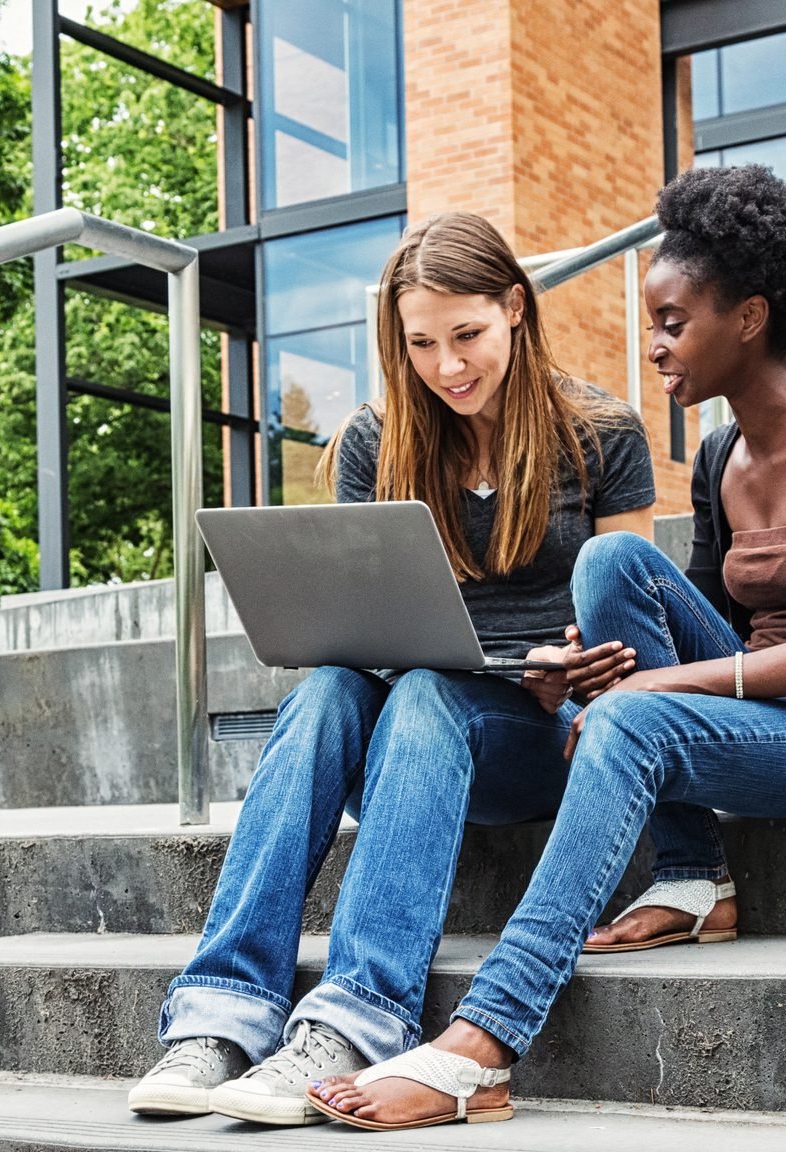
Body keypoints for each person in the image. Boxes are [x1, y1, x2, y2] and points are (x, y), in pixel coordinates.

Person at [309, 164, 786, 1131]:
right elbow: (693, 624)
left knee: (627, 702)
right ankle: (696, 872)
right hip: (753, 705)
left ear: (750, 318)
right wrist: (576, 671)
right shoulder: (717, 456)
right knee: (612, 562)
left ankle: (483, 1044)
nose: (654, 344)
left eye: (672, 322)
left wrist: (639, 694)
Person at [127, 211, 657, 1125]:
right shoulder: (377, 441)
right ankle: (219, 1016)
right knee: (330, 690)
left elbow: (631, 631)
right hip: (413, 736)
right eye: (421, 344)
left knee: (424, 695)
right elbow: (360, 626)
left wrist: (571, 668)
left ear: (516, 308)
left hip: (544, 736)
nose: (448, 366)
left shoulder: (603, 433)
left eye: (468, 335)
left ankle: (354, 1023)